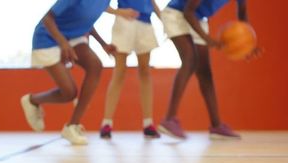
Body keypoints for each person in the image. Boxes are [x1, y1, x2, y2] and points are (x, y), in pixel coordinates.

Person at [158, 0, 259, 140]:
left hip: (197, 19)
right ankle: (168, 119)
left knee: (205, 73)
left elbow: (242, 14)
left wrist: (248, 45)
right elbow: (188, 12)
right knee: (190, 60)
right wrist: (207, 39)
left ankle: (216, 126)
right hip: (176, 15)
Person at [21, 0, 115, 145]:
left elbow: (86, 21)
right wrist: (63, 43)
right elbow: (47, 18)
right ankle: (32, 100)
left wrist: (103, 44)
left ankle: (72, 126)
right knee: (69, 93)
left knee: (95, 66)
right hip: (47, 38)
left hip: (73, 38)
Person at [99, 0, 162, 139]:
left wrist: (165, 21)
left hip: (146, 24)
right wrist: (118, 12)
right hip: (124, 22)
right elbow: (98, 4)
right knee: (119, 72)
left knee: (145, 72)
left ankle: (148, 124)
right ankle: (106, 123)